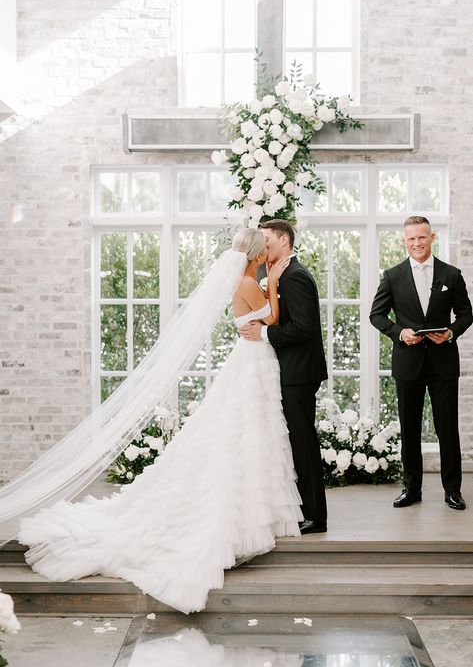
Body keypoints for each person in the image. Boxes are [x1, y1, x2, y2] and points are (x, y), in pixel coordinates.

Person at [15, 228, 304, 614]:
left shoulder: (246, 279)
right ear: (255, 254)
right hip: (252, 363)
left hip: (253, 360)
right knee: (243, 431)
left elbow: (264, 320)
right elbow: (274, 316)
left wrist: (272, 283)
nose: (269, 251)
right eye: (264, 247)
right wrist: (276, 284)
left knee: (249, 431)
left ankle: (256, 507)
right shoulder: (251, 282)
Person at [370, 215, 473, 510]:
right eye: (411, 238)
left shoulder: (451, 275)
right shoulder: (392, 275)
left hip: (443, 363)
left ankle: (453, 490)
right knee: (410, 428)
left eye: (422, 237)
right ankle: (411, 488)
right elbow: (376, 315)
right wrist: (399, 333)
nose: (417, 243)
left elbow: (466, 314)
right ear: (404, 241)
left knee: (447, 428)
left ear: (432, 238)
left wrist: (451, 332)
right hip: (408, 362)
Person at [240, 219, 328, 534]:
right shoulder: (277, 275)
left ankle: (316, 516)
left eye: (266, 239)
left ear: (284, 240)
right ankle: (304, 508)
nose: (262, 245)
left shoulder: (296, 276)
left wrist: (263, 333)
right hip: (289, 370)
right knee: (295, 440)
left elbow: (304, 327)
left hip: (300, 372)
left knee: (303, 441)